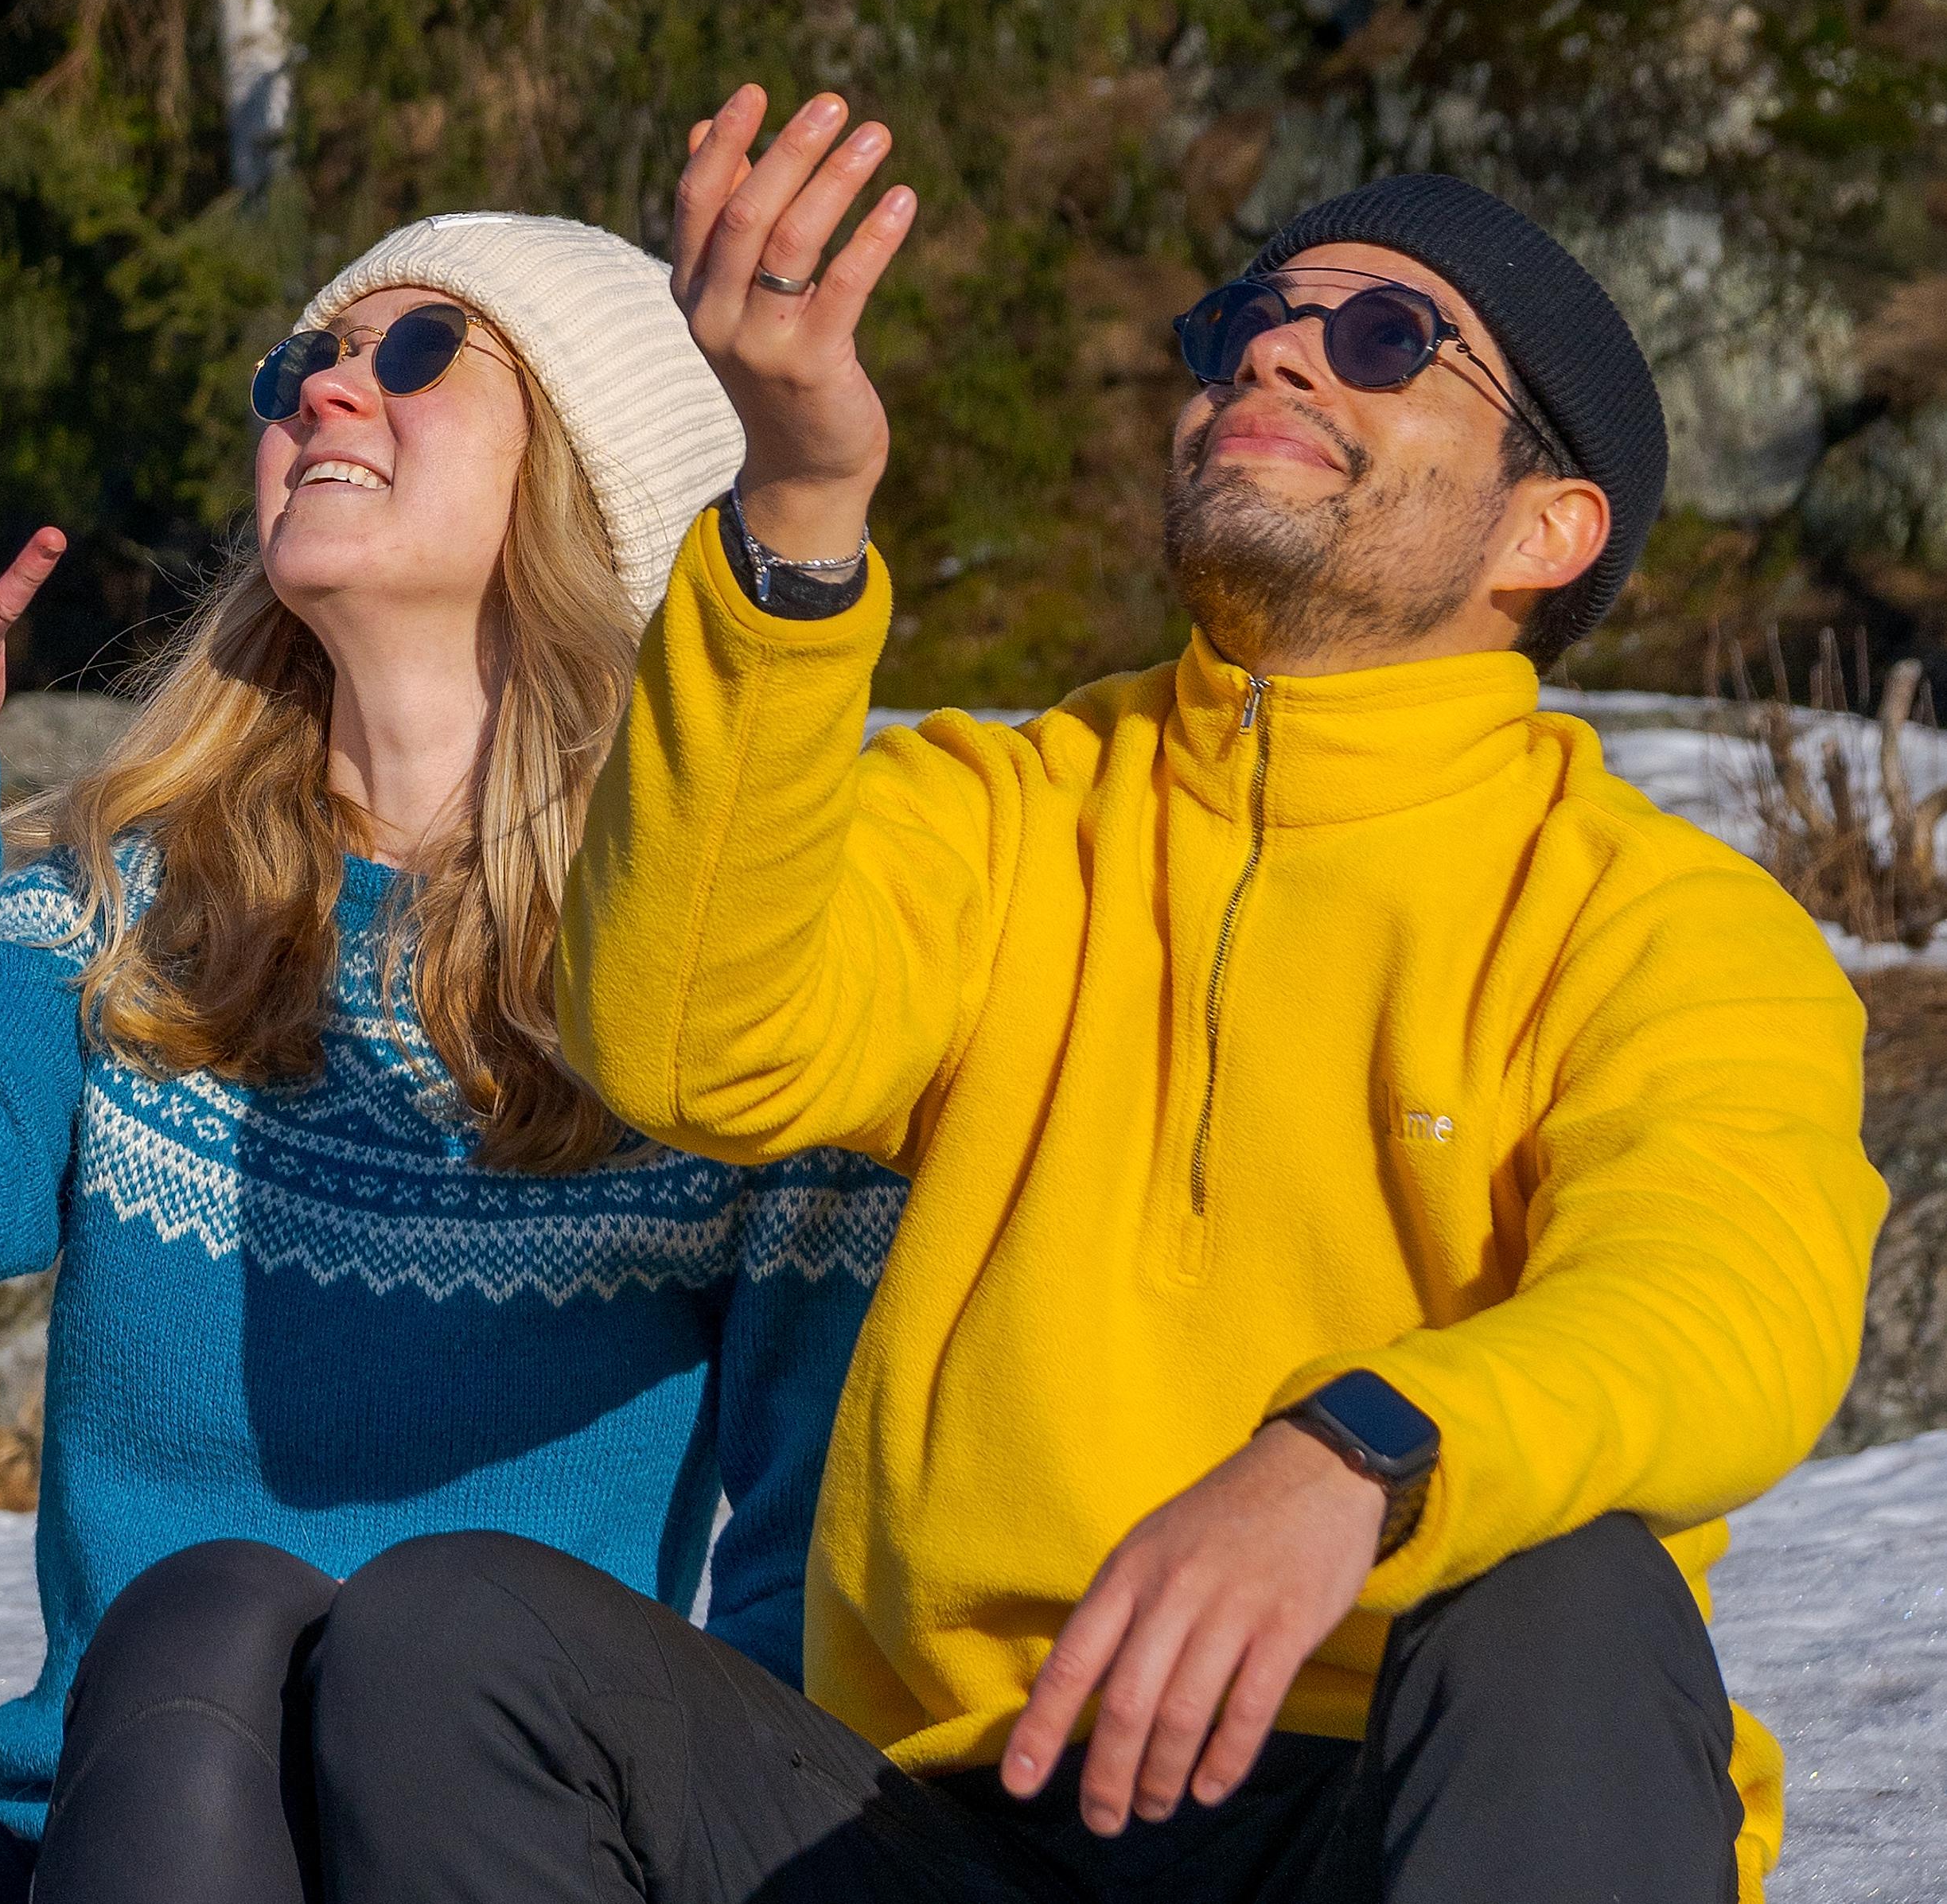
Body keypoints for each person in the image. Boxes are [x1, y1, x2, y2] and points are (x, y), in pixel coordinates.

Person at [312, 102, 1892, 1904]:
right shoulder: (1010, 810)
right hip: (970, 1827)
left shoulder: (1656, 916)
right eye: (1237, 326)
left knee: (1571, 1593)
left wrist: (1352, 1453)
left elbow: (1721, 1300)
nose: (1271, 348)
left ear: (1545, 526)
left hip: (1402, 1809)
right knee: (450, 1637)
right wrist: (798, 504)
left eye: (1380, 338)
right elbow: (686, 1043)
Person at [0, 213, 902, 1904]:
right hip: (77, 1843)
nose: (327, 386)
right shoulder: (131, 902)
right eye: (298, 367)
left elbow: (800, 1597)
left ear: (598, 480)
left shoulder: (737, 989)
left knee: (226, 1611)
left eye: (415, 352)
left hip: (473, 1853)